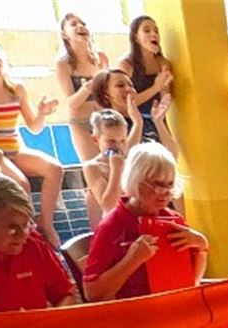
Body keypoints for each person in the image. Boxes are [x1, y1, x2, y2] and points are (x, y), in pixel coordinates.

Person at [84, 143, 208, 301]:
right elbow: (93, 294)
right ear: (136, 181)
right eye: (156, 185)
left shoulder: (173, 220)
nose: (164, 194)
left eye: (169, 186)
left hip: (173, 309)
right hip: (135, 315)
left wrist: (202, 246)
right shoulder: (112, 226)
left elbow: (192, 282)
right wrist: (132, 260)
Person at [0, 40, 63, 247]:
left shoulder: (16, 88)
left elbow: (34, 127)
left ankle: (46, 223)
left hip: (15, 149)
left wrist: (42, 113)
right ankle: (27, 231)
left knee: (55, 169)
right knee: (21, 185)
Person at [0, 172, 78, 312]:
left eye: (25, 224)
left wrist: (48, 323)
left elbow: (65, 294)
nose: (23, 235)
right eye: (12, 228)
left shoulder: (34, 244)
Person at [54, 14, 109, 180]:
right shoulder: (63, 64)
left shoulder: (101, 58)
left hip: (105, 121)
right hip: (81, 124)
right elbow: (71, 103)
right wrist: (87, 87)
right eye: (73, 24)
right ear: (64, 34)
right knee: (94, 174)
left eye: (83, 23)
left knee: (113, 170)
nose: (80, 26)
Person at [91, 67, 178, 158]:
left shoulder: (147, 119)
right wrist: (137, 125)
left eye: (131, 86)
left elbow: (173, 156)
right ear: (105, 94)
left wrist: (159, 122)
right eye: (120, 85)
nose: (128, 89)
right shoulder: (106, 124)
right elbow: (123, 159)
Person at [118, 16, 173, 145]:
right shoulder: (126, 64)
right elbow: (126, 103)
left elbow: (164, 100)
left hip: (157, 121)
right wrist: (156, 87)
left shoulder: (163, 63)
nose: (153, 34)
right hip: (133, 122)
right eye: (147, 31)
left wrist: (165, 89)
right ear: (136, 37)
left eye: (156, 31)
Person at [82, 109, 139, 216]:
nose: (118, 146)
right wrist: (116, 170)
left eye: (123, 141)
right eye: (111, 141)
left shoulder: (128, 162)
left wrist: (138, 123)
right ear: (96, 140)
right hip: (110, 226)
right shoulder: (92, 167)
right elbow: (109, 207)